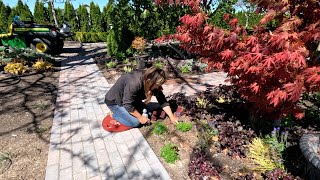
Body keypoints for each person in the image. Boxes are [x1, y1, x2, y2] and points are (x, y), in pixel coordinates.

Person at [104, 66, 179, 128]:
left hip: (132, 100)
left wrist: (171, 116)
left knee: (148, 114)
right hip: (115, 102)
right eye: (158, 84)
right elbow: (127, 104)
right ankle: (114, 114)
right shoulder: (134, 83)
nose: (159, 86)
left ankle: (123, 113)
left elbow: (162, 100)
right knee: (136, 123)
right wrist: (140, 117)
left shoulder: (153, 82)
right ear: (150, 81)